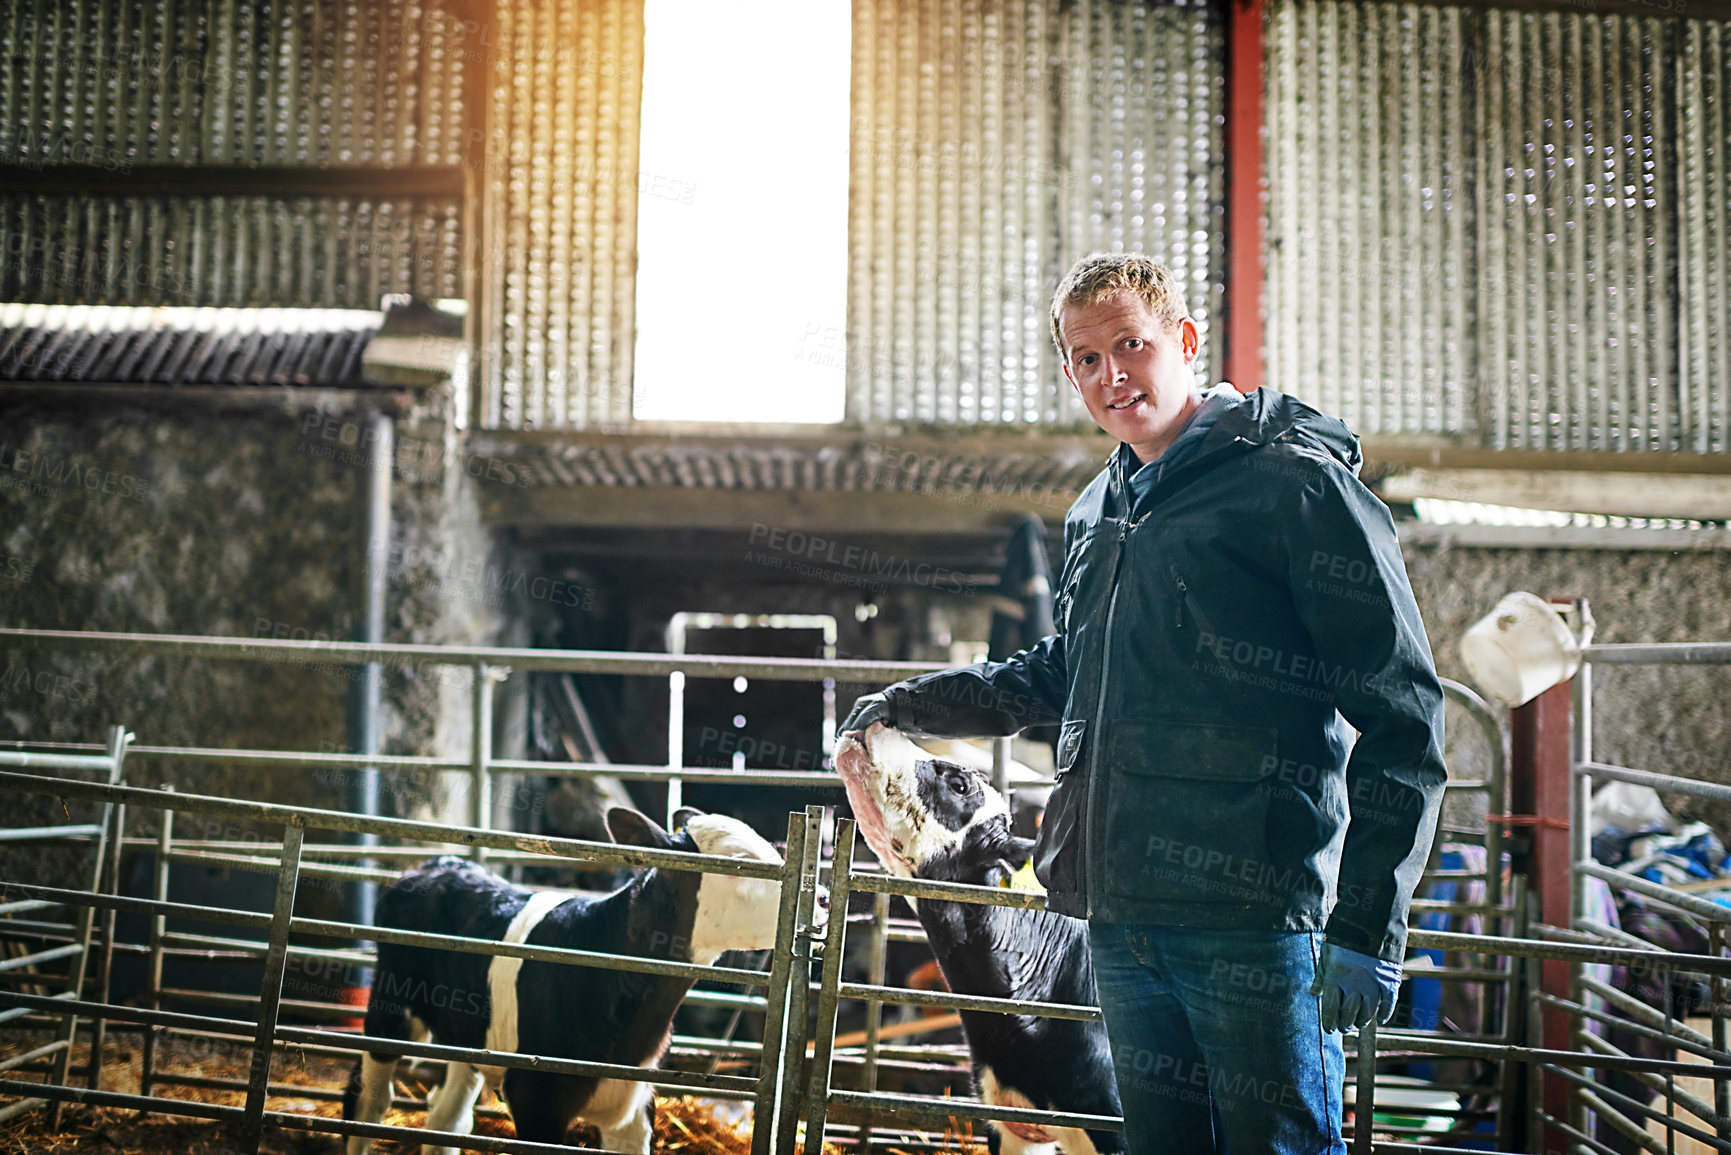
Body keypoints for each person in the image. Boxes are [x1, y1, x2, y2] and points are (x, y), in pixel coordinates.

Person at [839, 252, 1447, 1153]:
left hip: (1251, 921)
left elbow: (1403, 710)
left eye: (1131, 345)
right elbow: (1062, 672)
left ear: (1186, 342)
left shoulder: (1294, 486)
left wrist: (1367, 921)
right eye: (1086, 359)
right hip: (1120, 920)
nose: (1111, 375)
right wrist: (903, 704)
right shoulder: (1098, 509)